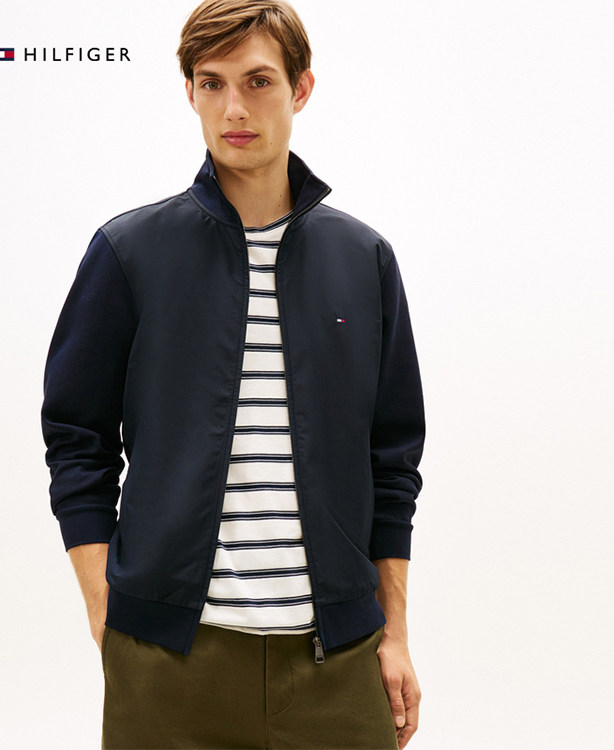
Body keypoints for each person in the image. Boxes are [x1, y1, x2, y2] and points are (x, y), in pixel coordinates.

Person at [40, 1, 426, 748]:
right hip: (168, 663)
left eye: (258, 81)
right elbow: (76, 438)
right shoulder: (130, 252)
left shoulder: (365, 261)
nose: (234, 109)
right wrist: (104, 607)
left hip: (339, 660)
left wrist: (395, 633)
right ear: (189, 92)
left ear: (301, 89)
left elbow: (393, 462)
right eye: (212, 84)